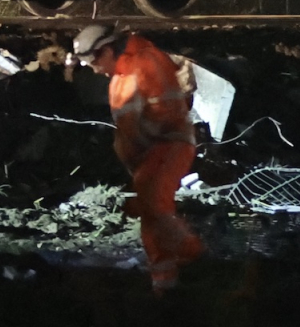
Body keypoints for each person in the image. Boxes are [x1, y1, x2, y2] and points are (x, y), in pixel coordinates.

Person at [74, 23, 204, 292]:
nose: (94, 70)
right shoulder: (119, 80)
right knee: (150, 211)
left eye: (93, 63)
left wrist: (144, 156)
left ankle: (196, 257)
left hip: (170, 143)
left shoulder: (145, 62)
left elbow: (165, 113)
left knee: (153, 201)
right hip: (149, 153)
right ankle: (165, 282)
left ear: (106, 51)